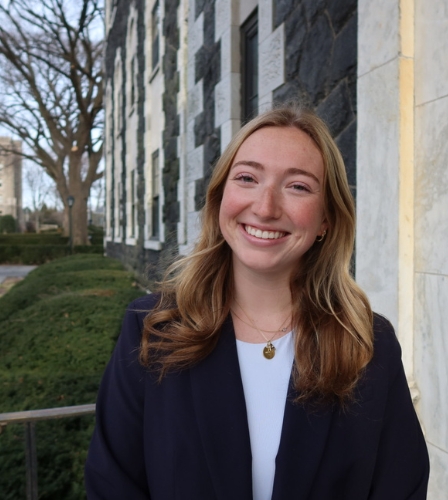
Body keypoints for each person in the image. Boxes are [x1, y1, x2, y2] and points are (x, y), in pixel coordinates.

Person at [85, 106, 429, 499]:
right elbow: (112, 486)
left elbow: (401, 487)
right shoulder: (152, 329)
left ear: (326, 220)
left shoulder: (368, 344)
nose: (265, 208)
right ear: (219, 199)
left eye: (297, 186)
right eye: (247, 178)